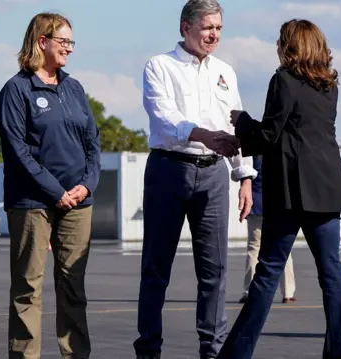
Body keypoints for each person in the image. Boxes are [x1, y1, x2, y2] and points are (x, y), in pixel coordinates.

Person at [216, 19, 341, 359]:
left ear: (289, 46)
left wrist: (241, 121)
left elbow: (268, 136)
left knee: (266, 275)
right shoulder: (329, 86)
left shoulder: (283, 80)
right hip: (328, 187)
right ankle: (340, 354)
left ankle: (236, 355)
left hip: (292, 191)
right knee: (332, 275)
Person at [133, 1, 257, 359]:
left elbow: (237, 126)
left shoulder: (225, 72)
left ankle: (213, 350)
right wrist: (201, 133)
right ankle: (149, 350)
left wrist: (244, 175)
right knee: (156, 268)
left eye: (218, 28)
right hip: (169, 170)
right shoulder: (160, 66)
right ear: (185, 27)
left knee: (215, 270)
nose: (214, 34)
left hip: (214, 176)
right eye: (207, 27)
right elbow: (164, 117)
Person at [0, 12, 101, 359]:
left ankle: (76, 354)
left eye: (72, 42)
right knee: (28, 288)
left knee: (73, 288)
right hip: (32, 203)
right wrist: (56, 191)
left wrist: (86, 186)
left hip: (78, 203)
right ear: (43, 42)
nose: (70, 49)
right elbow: (17, 151)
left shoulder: (73, 87)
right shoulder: (16, 89)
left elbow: (92, 144)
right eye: (64, 41)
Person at [239, 154, 296, 305]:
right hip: (277, 205)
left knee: (254, 248)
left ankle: (249, 290)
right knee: (284, 249)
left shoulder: (252, 157)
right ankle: (288, 292)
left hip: (256, 204)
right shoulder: (279, 154)